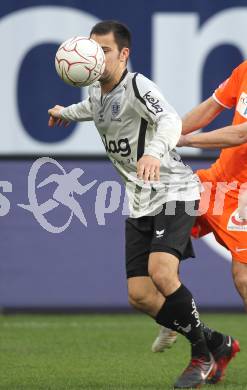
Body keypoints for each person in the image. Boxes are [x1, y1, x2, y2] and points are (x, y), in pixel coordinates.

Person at [48, 20, 233, 388]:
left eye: (105, 51)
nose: (96, 58)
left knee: (163, 273)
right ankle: (218, 342)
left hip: (173, 189)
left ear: (124, 54)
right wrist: (64, 113)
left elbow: (168, 122)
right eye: (92, 49)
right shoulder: (99, 93)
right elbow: (92, 110)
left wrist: (152, 152)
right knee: (141, 296)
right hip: (139, 199)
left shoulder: (137, 85)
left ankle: (202, 356)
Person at [152, 61, 247, 378]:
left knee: (243, 278)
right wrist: (170, 132)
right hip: (217, 181)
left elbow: (240, 133)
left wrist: (187, 141)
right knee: (163, 226)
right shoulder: (244, 70)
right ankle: (178, 320)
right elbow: (211, 108)